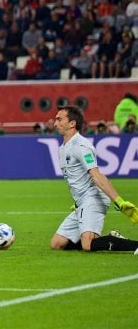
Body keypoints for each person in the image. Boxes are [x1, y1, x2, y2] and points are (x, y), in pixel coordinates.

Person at [50, 105, 138, 254]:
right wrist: (77, 200)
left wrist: (119, 201)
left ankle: (134, 245)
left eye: (59, 119)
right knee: (57, 243)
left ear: (72, 123)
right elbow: (76, 177)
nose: (55, 123)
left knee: (87, 245)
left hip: (93, 198)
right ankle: (109, 239)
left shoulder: (81, 146)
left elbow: (96, 175)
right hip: (81, 202)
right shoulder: (63, 147)